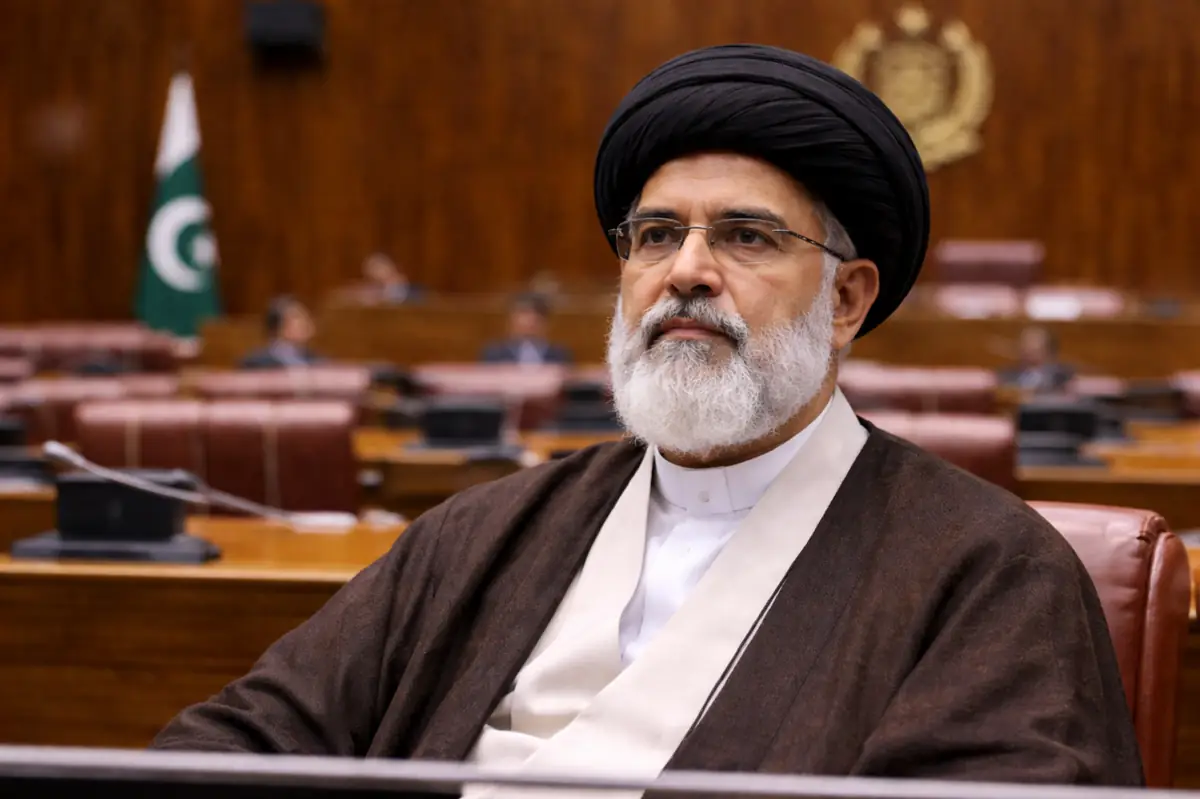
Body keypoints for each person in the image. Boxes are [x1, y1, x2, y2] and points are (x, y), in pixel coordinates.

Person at [154, 45, 1142, 787]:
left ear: (845, 301)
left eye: (746, 236)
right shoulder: (488, 529)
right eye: (656, 234)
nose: (686, 270)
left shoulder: (989, 571)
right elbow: (239, 740)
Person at [480, 292, 573, 365]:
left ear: (546, 323)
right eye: (524, 313)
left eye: (537, 316)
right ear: (511, 319)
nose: (530, 321)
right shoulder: (494, 353)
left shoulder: (560, 354)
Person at [239, 296, 322, 369]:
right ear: (276, 327)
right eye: (297, 317)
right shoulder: (255, 364)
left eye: (307, 316)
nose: (306, 322)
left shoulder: (318, 362)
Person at [999, 325, 1075, 393]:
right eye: (1025, 342)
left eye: (1034, 342)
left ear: (1048, 348)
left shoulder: (1064, 375)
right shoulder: (1007, 374)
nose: (1028, 348)